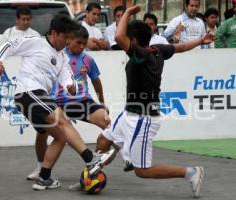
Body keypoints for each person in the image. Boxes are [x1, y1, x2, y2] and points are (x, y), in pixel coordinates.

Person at [86, 5, 214, 198]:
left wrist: (127, 13)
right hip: (130, 113)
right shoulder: (158, 49)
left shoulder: (141, 55)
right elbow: (181, 47)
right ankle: (94, 173)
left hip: (143, 119)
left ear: (134, 41)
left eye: (129, 39)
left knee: (142, 171)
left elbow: (120, 38)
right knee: (104, 140)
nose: (124, 41)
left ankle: (191, 172)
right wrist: (200, 40)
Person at [0, 14, 114, 191]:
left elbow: (66, 77)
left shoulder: (61, 57)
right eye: (65, 38)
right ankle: (91, 160)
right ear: (54, 33)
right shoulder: (36, 42)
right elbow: (9, 45)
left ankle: (44, 178)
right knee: (63, 120)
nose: (67, 42)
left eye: (69, 38)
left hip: (37, 98)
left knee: (60, 136)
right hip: (28, 91)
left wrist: (70, 86)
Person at [26, 24, 111, 181]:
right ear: (69, 39)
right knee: (42, 134)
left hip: (82, 101)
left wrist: (102, 101)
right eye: (78, 43)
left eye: (84, 44)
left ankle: (99, 162)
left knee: (107, 121)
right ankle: (40, 168)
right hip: (56, 102)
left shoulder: (88, 59)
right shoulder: (58, 56)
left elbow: (96, 81)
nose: (81, 47)